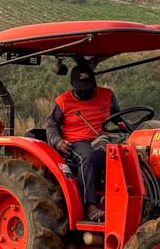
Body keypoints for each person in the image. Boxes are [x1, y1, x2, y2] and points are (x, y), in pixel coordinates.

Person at [45, 65, 122, 222]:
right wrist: (58, 141)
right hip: (77, 141)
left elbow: (118, 117)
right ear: (73, 86)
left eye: (89, 88)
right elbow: (51, 124)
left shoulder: (107, 95)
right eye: (81, 89)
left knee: (128, 152)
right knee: (88, 157)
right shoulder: (63, 101)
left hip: (103, 138)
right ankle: (90, 205)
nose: (86, 92)